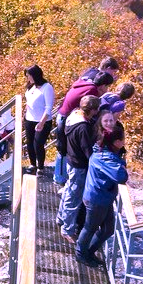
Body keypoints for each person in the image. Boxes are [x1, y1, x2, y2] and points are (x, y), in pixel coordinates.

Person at [76, 126, 128, 268]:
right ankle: (81, 254)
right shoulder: (105, 157)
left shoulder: (104, 151)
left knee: (108, 229)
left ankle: (89, 252)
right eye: (123, 139)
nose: (124, 141)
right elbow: (121, 176)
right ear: (116, 142)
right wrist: (122, 164)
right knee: (89, 228)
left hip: (102, 197)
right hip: (96, 199)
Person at [54, 71, 115, 184]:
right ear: (103, 85)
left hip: (65, 115)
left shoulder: (85, 83)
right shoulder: (92, 91)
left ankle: (60, 178)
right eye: (107, 86)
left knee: (64, 148)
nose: (107, 89)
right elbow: (90, 107)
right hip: (70, 118)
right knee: (65, 150)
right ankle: (61, 179)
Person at [57, 96, 100, 243]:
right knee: (74, 198)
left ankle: (61, 218)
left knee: (69, 191)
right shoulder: (83, 127)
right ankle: (67, 230)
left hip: (71, 159)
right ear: (93, 110)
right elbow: (87, 150)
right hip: (79, 165)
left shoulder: (73, 115)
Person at [23, 65, 55, 174]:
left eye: (29, 76)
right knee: (30, 143)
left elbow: (49, 107)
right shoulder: (31, 86)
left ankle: (40, 167)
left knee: (38, 144)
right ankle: (33, 164)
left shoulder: (47, 87)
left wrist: (42, 122)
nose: (28, 79)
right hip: (29, 119)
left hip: (42, 121)